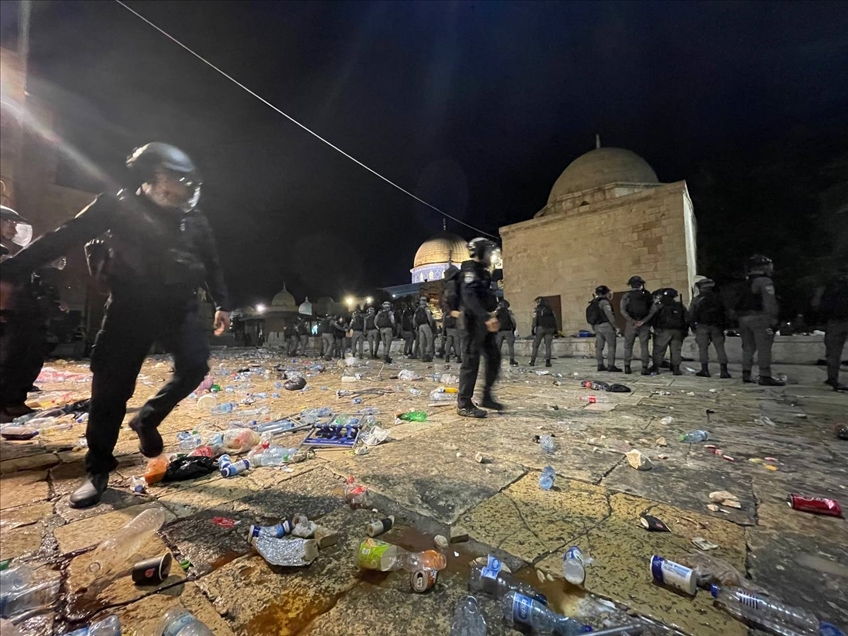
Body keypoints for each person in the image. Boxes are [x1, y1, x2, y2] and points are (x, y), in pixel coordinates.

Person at [0, 143, 231, 508]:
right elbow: (63, 236)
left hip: (178, 307)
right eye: (178, 180)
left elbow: (211, 262)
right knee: (110, 390)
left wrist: (222, 303)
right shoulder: (116, 206)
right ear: (153, 178)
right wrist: (9, 270)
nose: (187, 189)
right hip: (129, 308)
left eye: (191, 182)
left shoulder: (195, 220)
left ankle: (147, 420)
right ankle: (98, 470)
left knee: (194, 367)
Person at [0, 204, 43, 423]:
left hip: (17, 313)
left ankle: (14, 401)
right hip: (4, 313)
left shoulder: (7, 253)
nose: (13, 227)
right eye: (8, 221)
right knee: (5, 360)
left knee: (23, 357)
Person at [455, 238, 502, 417]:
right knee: (471, 362)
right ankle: (464, 404)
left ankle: (487, 396)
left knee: (494, 357)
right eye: (488, 252)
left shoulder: (483, 272)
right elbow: (469, 297)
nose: (491, 256)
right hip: (472, 323)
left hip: (484, 321)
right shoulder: (469, 271)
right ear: (480, 253)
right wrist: (485, 317)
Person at [734, 255, 784, 386]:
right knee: (764, 348)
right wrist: (773, 319)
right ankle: (765, 376)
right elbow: (769, 302)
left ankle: (746, 373)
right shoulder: (764, 281)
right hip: (760, 318)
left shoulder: (744, 283)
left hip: (743, 319)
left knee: (747, 348)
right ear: (764, 266)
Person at [689, 278, 731, 378]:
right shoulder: (719, 298)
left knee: (703, 349)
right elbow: (726, 312)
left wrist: (692, 326)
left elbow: (691, 314)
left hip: (702, 326)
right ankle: (724, 371)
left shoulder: (697, 299)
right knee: (720, 348)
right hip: (717, 326)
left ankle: (705, 370)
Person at [620, 275, 658, 375]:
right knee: (644, 346)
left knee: (628, 346)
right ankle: (644, 367)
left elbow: (622, 310)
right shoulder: (647, 295)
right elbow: (653, 310)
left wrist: (632, 321)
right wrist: (644, 321)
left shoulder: (626, 296)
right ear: (641, 285)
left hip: (631, 324)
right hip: (644, 324)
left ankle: (627, 366)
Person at [819, 266, 848, 391]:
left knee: (833, 352)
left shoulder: (833, 286)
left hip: (834, 321)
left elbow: (822, 304)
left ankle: (832, 378)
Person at [650, 288, 688, 375]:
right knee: (676, 350)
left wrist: (655, 328)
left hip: (663, 331)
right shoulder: (680, 305)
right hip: (678, 331)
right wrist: (684, 331)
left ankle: (656, 368)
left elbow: (653, 317)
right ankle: (676, 369)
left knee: (659, 350)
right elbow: (686, 318)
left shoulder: (660, 305)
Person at [587, 286, 620, 372]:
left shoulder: (593, 302)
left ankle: (600, 365)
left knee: (599, 347)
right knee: (611, 346)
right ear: (606, 293)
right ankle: (611, 365)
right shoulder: (604, 302)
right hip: (606, 326)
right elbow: (609, 315)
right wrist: (616, 326)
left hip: (597, 327)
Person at [529, 297, 557, 367]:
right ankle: (548, 362)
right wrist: (555, 330)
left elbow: (534, 320)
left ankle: (532, 361)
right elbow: (555, 319)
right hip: (550, 328)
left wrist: (533, 329)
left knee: (535, 345)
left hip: (541, 328)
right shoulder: (550, 309)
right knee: (548, 346)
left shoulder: (537, 309)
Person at [495, 298, 518, 366]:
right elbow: (513, 321)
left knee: (498, 347)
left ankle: (496, 361)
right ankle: (512, 360)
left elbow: (494, 320)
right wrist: (514, 329)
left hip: (499, 332)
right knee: (511, 346)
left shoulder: (497, 312)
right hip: (508, 331)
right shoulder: (509, 312)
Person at [414, 297, 435, 362]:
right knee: (429, 340)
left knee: (422, 341)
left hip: (420, 326)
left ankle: (423, 356)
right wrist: (431, 325)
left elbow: (414, 319)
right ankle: (428, 355)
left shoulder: (417, 309)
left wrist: (415, 327)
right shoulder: (426, 308)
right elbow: (429, 317)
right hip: (426, 325)